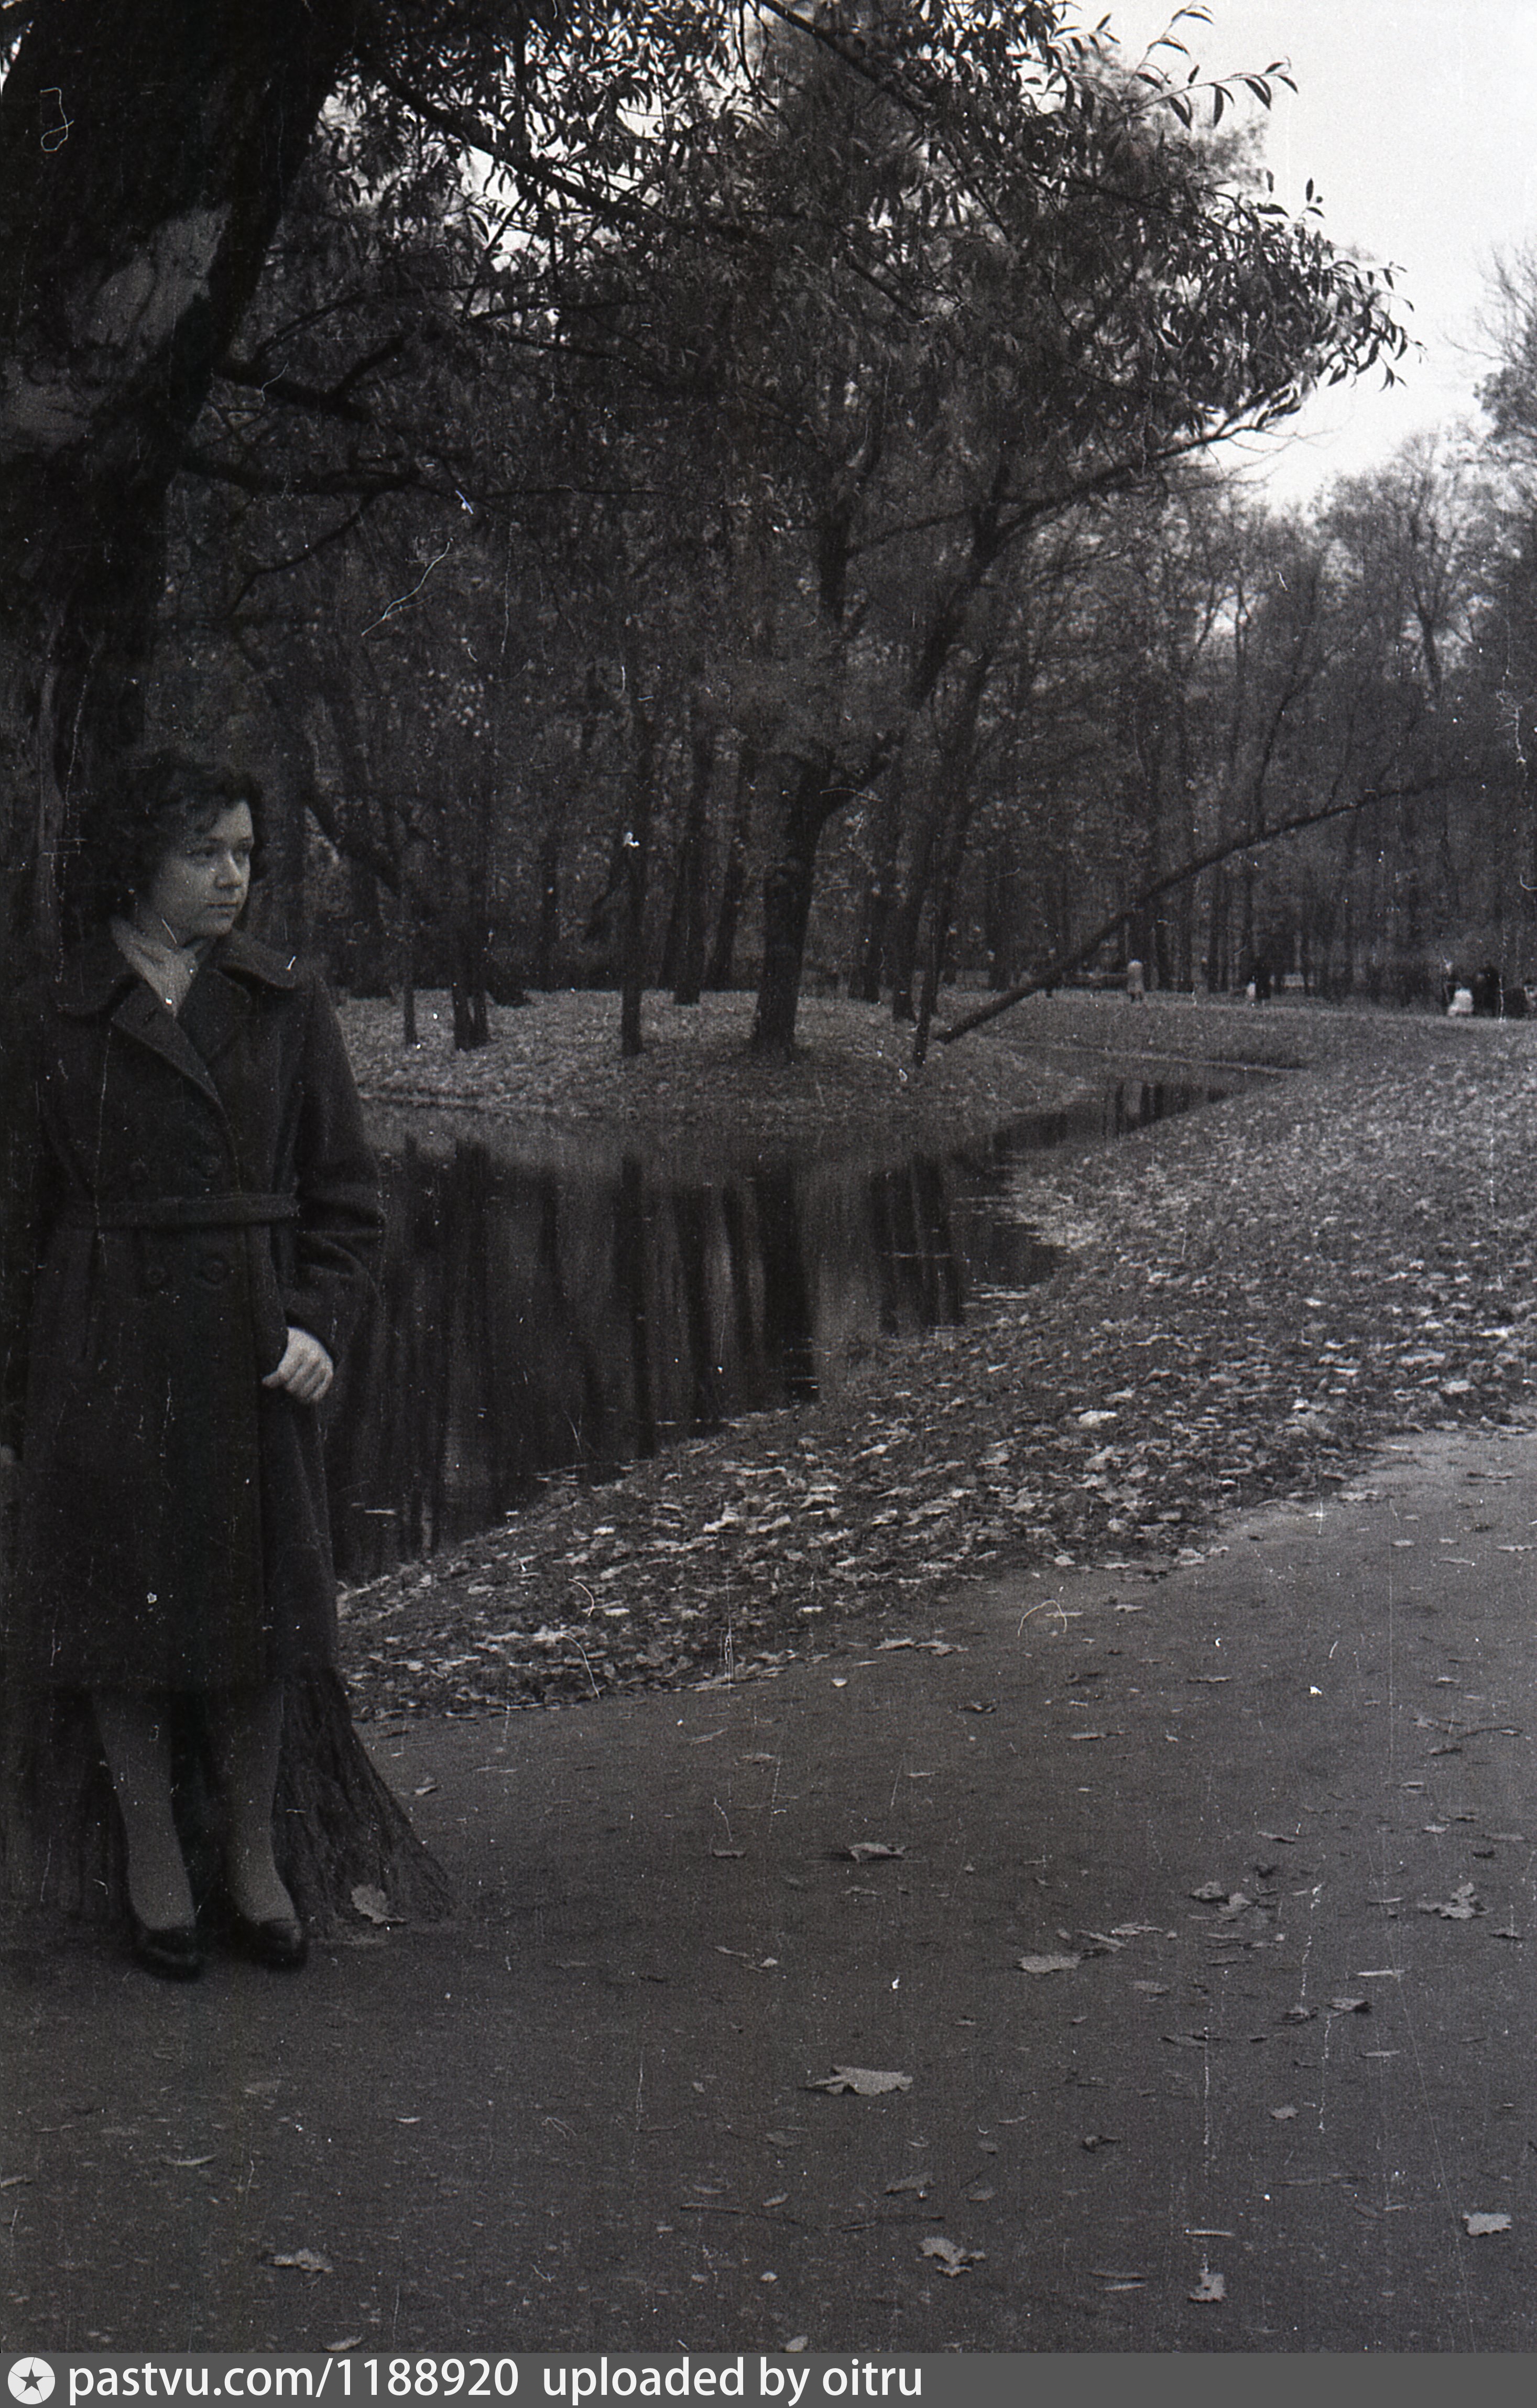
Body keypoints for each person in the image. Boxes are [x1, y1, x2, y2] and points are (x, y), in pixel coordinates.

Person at [0, 754, 382, 1979]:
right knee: (118, 1617)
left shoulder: (285, 1000)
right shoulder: (51, 1013)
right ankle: (155, 1859)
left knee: (256, 1612)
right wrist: (17, 1396)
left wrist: (316, 1324)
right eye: (203, 852)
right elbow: (12, 1223)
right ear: (137, 861)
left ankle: (256, 1860)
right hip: (99, 1346)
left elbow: (347, 1198)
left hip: (249, 1351)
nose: (232, 877)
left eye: (245, 854)